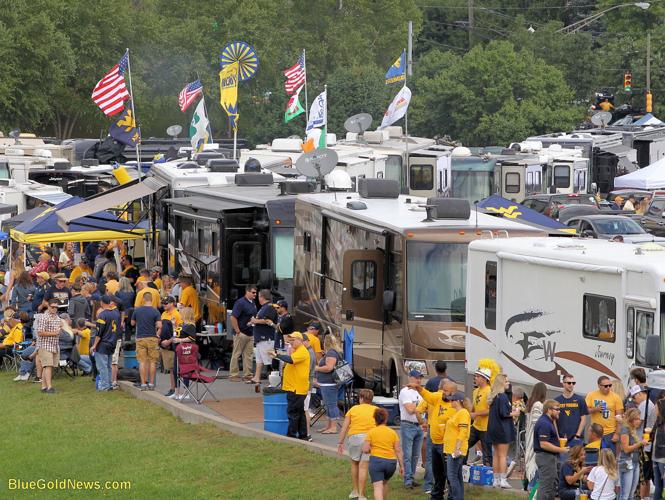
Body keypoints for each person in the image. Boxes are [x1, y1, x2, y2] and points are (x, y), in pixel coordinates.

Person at [410, 378, 458, 500]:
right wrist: (418, 387)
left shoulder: (455, 405)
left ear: (453, 393)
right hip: (435, 441)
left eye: (446, 391)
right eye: (443, 390)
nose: (443, 393)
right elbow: (427, 395)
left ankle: (452, 496)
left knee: (449, 473)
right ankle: (437, 495)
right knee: (437, 472)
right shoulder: (437, 398)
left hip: (446, 444)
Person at [338, 388, 376, 500]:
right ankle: (362, 494)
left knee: (354, 464)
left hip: (355, 437)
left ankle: (355, 490)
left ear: (361, 398)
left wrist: (340, 442)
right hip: (369, 438)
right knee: (364, 466)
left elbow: (344, 427)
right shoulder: (376, 409)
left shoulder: (353, 409)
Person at [272, 332, 310, 439]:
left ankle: (292, 435)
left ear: (299, 340)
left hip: (296, 388)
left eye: (293, 340)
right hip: (295, 387)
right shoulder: (297, 351)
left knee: (293, 412)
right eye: (290, 341)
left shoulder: (302, 351)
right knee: (299, 412)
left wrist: (277, 355)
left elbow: (291, 360)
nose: (291, 343)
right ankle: (303, 435)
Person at [362, 408, 404, 500]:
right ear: (386, 419)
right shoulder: (393, 433)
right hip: (391, 463)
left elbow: (365, 449)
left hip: (376, 461)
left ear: (375, 419)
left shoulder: (371, 432)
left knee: (377, 487)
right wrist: (402, 466)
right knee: (384, 483)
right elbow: (398, 450)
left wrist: (371, 449)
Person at [488, 373, 519, 488]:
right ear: (501, 383)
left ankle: (496, 480)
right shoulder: (502, 397)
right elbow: (504, 413)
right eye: (506, 381)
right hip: (502, 429)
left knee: (496, 455)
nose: (508, 383)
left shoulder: (494, 396)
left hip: (494, 429)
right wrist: (515, 413)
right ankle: (503, 479)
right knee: (502, 455)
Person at [534, 399, 569, 500]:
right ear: (549, 410)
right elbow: (543, 444)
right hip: (545, 457)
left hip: (550, 457)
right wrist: (560, 450)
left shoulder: (549, 422)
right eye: (557, 409)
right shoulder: (544, 423)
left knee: (552, 485)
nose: (559, 411)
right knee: (546, 487)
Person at [422, 361, 449, 494]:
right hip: (446, 425)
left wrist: (423, 420)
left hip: (432, 422)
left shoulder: (430, 383)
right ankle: (445, 485)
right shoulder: (451, 382)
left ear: (435, 369)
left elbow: (425, 398)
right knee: (445, 459)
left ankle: (428, 484)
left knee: (430, 458)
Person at [397, 369, 425, 489]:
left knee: (415, 455)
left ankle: (411, 477)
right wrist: (419, 408)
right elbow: (409, 409)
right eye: (416, 378)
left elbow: (424, 408)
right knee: (407, 454)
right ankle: (407, 480)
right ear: (410, 378)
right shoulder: (405, 392)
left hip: (418, 425)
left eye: (420, 378)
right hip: (408, 424)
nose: (418, 380)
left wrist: (416, 407)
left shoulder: (420, 392)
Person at [629, 384, 656, 499]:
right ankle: (646, 497)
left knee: (643, 475)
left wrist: (624, 421)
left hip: (643, 444)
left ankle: (642, 497)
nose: (635, 401)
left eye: (634, 398)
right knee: (647, 475)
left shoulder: (643, 405)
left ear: (639, 394)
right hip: (648, 443)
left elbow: (637, 422)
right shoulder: (649, 404)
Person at [131, 291, 162, 390]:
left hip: (140, 338)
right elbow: (159, 325)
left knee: (142, 361)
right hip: (152, 338)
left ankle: (143, 383)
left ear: (143, 299)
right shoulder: (155, 311)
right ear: (151, 300)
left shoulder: (137, 310)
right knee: (152, 362)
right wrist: (157, 333)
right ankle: (151, 384)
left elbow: (132, 323)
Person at [313, 334, 343, 434]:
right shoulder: (331, 352)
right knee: (328, 405)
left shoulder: (331, 353)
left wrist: (317, 368)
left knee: (331, 405)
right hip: (327, 383)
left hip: (329, 383)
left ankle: (333, 427)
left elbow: (329, 368)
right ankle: (328, 426)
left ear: (326, 342)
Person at [444, 392, 471, 500]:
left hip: (456, 450)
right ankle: (459, 497)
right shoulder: (457, 413)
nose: (450, 402)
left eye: (452, 400)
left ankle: (456, 497)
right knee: (457, 476)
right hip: (451, 448)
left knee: (452, 477)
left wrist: (457, 448)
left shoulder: (463, 413)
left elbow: (463, 431)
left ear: (459, 401)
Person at [586, 376, 624, 452]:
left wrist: (617, 433)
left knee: (608, 458)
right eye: (606, 386)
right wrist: (595, 409)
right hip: (595, 432)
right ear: (599, 386)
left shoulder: (616, 397)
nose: (608, 388)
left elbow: (619, 417)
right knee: (594, 456)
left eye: (610, 385)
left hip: (610, 433)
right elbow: (585, 410)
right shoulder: (591, 395)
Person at [90, 295, 120, 391]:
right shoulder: (116, 314)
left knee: (102, 367)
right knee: (109, 366)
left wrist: (94, 345)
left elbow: (99, 333)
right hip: (112, 342)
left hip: (103, 343)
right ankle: (110, 384)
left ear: (102, 302)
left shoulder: (102, 315)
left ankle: (104, 386)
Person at [248, 289, 278, 385]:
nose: (258, 299)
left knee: (271, 360)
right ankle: (256, 377)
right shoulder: (264, 307)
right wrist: (253, 321)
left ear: (262, 297)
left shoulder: (270, 307)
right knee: (259, 359)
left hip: (266, 338)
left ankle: (277, 380)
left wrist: (255, 321)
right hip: (260, 338)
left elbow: (268, 320)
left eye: (259, 296)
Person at [229, 285, 257, 382]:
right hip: (241, 332)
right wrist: (237, 331)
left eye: (256, 292)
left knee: (248, 355)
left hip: (250, 332)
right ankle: (233, 375)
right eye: (253, 292)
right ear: (247, 292)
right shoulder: (240, 302)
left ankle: (248, 375)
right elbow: (233, 317)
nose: (255, 294)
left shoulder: (253, 302)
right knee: (237, 354)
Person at [618, 407, 647, 500]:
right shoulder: (625, 429)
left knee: (631, 493)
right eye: (636, 419)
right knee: (625, 494)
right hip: (626, 463)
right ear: (631, 419)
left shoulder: (633, 429)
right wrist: (640, 443)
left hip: (635, 462)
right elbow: (625, 449)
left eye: (639, 418)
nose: (639, 421)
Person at [34, 298, 61, 394]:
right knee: (48, 366)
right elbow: (40, 332)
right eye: (52, 307)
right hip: (44, 345)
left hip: (54, 345)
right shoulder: (44, 317)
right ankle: (49, 387)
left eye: (56, 307)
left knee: (48, 366)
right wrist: (54, 333)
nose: (54, 309)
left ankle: (44, 387)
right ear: (48, 306)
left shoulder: (57, 317)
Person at [468, 367, 492, 467]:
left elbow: (491, 410)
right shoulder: (475, 391)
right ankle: (463, 467)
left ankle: (489, 476)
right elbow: (474, 407)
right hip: (476, 426)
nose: (475, 378)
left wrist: (476, 414)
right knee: (464, 445)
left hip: (486, 427)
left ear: (484, 378)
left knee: (487, 454)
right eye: (475, 376)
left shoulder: (489, 391)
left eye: (477, 376)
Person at [525, 382, 548, 489]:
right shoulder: (538, 405)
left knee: (533, 463)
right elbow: (537, 423)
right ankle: (531, 488)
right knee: (535, 464)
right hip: (535, 439)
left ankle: (531, 486)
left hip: (529, 437)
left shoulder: (531, 403)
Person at [556, 374, 589, 446]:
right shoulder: (557, 401)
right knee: (563, 457)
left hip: (576, 439)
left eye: (573, 383)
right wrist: (557, 436)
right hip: (562, 439)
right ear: (563, 384)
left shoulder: (580, 400)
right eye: (569, 383)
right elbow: (554, 420)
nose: (571, 385)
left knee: (577, 457)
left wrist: (577, 435)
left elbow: (584, 419)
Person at [651, 398, 665, 500]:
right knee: (657, 485)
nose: (654, 408)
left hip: (663, 459)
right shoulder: (658, 422)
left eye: (656, 407)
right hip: (655, 457)